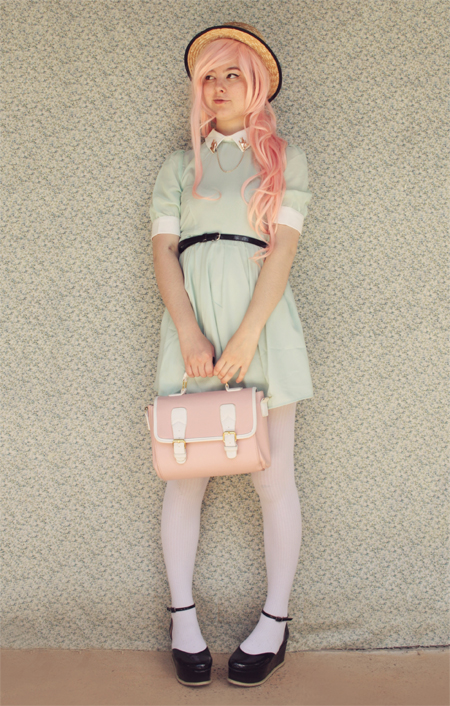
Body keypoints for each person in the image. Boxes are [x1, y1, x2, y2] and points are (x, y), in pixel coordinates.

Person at [149, 22, 313, 687]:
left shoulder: (285, 160)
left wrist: (247, 336)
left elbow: (283, 252)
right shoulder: (177, 166)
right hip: (191, 334)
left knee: (273, 480)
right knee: (184, 476)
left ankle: (275, 624)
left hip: (263, 330)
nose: (218, 87)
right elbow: (164, 253)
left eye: (232, 74)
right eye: (208, 77)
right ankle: (182, 621)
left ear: (257, 86)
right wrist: (190, 332)